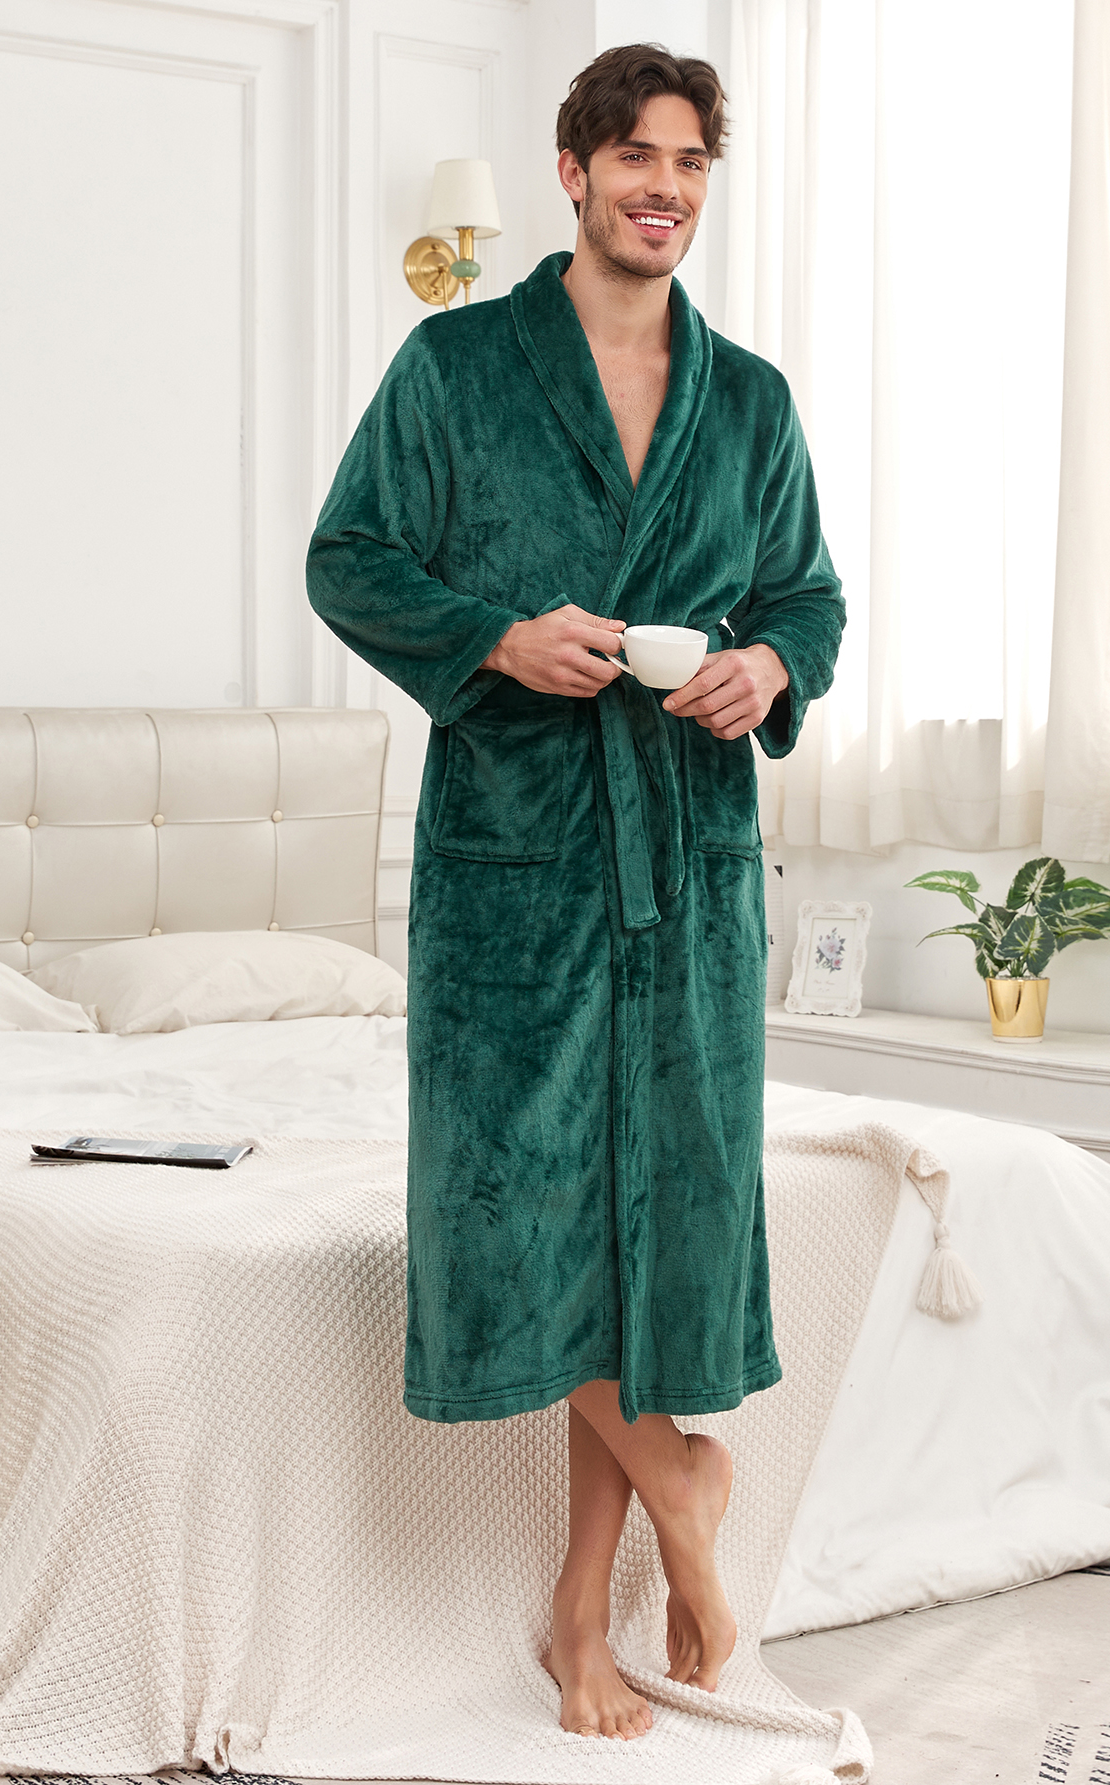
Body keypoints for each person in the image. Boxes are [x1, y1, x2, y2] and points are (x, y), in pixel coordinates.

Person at [307, 41, 843, 1745]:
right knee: (523, 1208)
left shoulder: (748, 400)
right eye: (633, 157)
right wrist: (492, 637)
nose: (662, 187)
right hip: (516, 872)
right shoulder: (458, 365)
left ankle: (575, 1615)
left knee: (652, 1222)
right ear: (572, 170)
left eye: (689, 161)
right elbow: (348, 557)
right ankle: (687, 1486)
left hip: (686, 858)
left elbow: (809, 596)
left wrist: (768, 664)